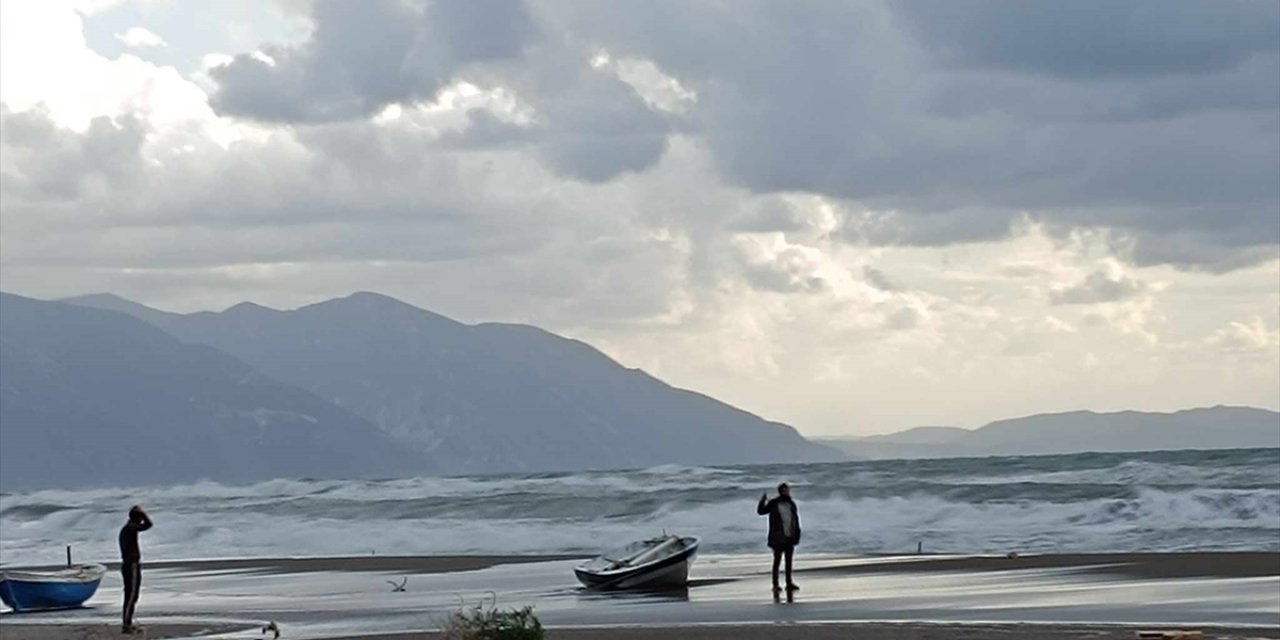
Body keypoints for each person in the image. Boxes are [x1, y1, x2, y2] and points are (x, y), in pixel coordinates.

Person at [757, 482, 800, 593]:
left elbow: (795, 520)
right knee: (777, 561)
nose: (786, 492)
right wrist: (762, 501)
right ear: (780, 491)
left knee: (789, 562)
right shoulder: (774, 503)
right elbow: (761, 512)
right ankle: (775, 584)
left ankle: (788, 582)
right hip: (777, 538)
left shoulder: (791, 504)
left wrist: (797, 533)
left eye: (787, 490)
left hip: (790, 536)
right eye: (784, 490)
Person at [118, 505, 153, 634]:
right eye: (140, 518)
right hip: (131, 565)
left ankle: (128, 622)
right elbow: (148, 525)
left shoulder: (128, 529)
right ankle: (126, 625)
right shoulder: (130, 528)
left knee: (132, 595)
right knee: (131, 595)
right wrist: (144, 514)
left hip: (130, 564)